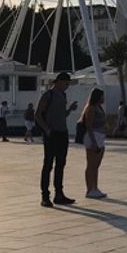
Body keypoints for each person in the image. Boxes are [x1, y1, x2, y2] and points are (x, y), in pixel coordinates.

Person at [34, 72, 79, 208]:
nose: (67, 86)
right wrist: (47, 130)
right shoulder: (49, 95)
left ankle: (59, 194)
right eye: (66, 83)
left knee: (61, 164)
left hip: (62, 134)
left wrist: (70, 110)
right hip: (52, 134)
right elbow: (37, 115)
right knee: (48, 165)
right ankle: (45, 196)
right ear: (59, 82)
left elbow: (62, 115)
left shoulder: (63, 96)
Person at [80, 88, 108, 199]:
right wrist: (93, 141)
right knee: (91, 165)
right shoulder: (91, 109)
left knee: (96, 165)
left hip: (100, 136)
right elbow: (89, 126)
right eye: (102, 96)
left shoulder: (99, 108)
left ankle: (95, 188)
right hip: (93, 137)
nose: (103, 98)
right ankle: (89, 189)